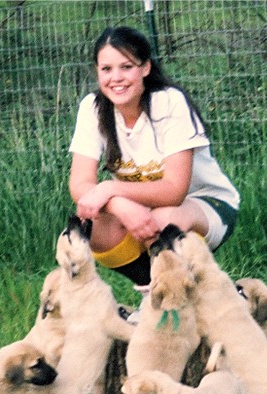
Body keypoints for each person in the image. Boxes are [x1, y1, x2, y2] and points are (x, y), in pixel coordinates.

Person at [68, 26, 240, 288]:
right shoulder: (92, 108)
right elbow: (80, 185)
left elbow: (174, 191)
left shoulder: (169, 102)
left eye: (126, 67)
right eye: (107, 69)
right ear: (97, 72)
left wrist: (110, 188)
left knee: (161, 221)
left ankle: (202, 299)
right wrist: (119, 205)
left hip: (205, 205)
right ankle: (155, 296)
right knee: (95, 228)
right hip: (142, 206)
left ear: (145, 68)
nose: (116, 78)